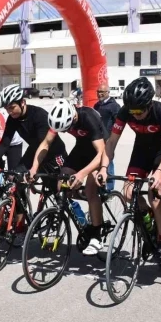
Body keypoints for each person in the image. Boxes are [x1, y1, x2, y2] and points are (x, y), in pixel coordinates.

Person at [103, 77, 161, 263]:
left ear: (149, 104)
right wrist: (103, 168)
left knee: (155, 194)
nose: (135, 115)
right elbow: (111, 142)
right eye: (132, 111)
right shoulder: (125, 111)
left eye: (139, 111)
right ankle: (148, 218)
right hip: (141, 150)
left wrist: (159, 172)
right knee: (128, 193)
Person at [32, 99, 109, 255]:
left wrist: (82, 173)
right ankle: (84, 219)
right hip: (81, 149)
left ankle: (96, 235)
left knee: (90, 190)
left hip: (100, 152)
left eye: (67, 128)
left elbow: (101, 153)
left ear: (73, 117)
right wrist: (34, 168)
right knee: (61, 184)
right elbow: (45, 144)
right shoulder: (59, 119)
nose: (66, 131)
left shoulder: (88, 117)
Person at [0, 84, 68, 219]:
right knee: (15, 178)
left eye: (12, 107)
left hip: (53, 155)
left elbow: (43, 146)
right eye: (7, 109)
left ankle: (76, 215)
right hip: (34, 151)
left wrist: (34, 170)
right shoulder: (13, 119)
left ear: (22, 102)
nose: (10, 112)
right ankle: (21, 220)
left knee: (60, 192)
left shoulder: (39, 116)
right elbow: (5, 142)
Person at [94, 83, 121, 191]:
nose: (99, 94)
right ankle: (99, 184)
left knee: (108, 161)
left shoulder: (114, 106)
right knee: (98, 161)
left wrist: (111, 136)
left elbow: (118, 123)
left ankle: (109, 188)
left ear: (108, 92)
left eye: (102, 92)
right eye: (98, 92)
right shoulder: (96, 105)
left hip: (108, 138)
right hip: (98, 138)